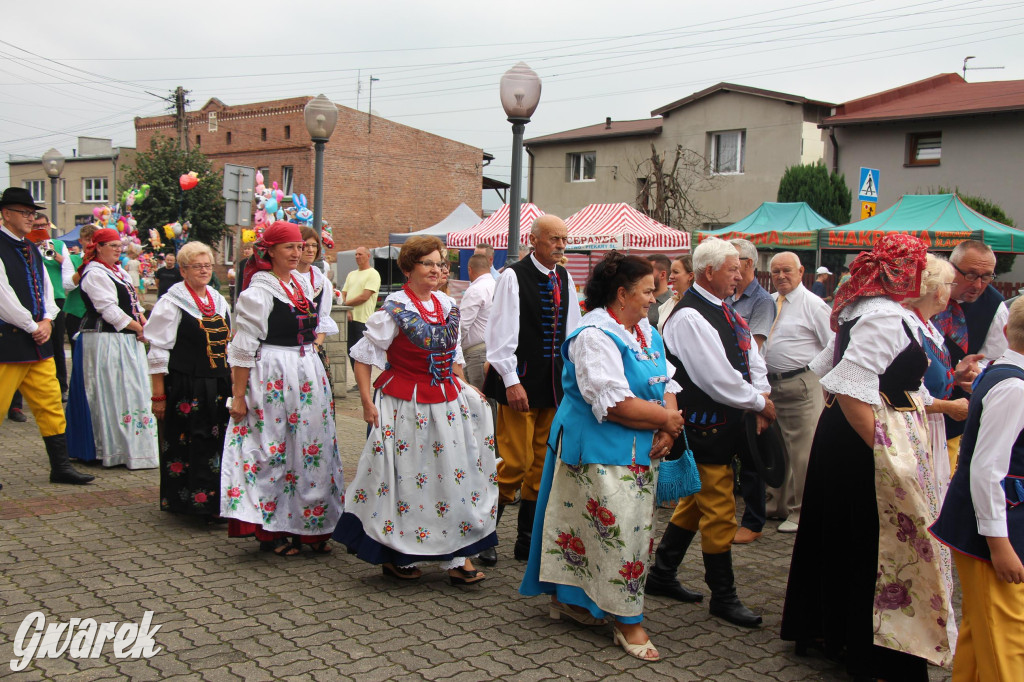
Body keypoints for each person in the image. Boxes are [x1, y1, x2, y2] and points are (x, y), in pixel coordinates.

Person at [782, 234, 957, 679]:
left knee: (843, 534)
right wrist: (887, 454)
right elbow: (850, 391)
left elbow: (838, 377)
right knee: (869, 540)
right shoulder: (882, 317)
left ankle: (833, 630)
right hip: (862, 437)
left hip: (846, 434)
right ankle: (869, 647)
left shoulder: (869, 309)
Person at [520, 253, 685, 662]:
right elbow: (614, 404)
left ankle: (575, 601)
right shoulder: (594, 334)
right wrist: (667, 419)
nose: (654, 297)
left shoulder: (643, 329)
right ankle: (627, 618)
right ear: (621, 293)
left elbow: (665, 378)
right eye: (647, 290)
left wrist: (668, 422)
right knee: (614, 531)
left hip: (636, 448)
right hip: (596, 448)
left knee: (616, 529)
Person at [332, 235, 498, 584]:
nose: (437, 270)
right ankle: (398, 554)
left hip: (446, 402)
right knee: (408, 479)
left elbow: (452, 356)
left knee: (454, 475)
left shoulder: (447, 305)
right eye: (428, 263)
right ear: (408, 268)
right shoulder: (394, 308)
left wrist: (466, 388)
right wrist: (365, 402)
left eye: (441, 263)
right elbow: (362, 357)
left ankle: (458, 554)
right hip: (405, 403)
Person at [644, 238, 773, 628]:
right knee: (718, 509)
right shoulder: (688, 316)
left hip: (724, 424)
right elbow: (715, 378)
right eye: (733, 268)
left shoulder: (725, 310)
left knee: (696, 502)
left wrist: (761, 392)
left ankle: (662, 574)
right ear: (710, 271)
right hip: (704, 428)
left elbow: (750, 356)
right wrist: (758, 401)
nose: (740, 274)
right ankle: (723, 595)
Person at [221, 221, 344, 557]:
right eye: (289, 247)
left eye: (299, 246)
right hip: (273, 372)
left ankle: (311, 526)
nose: (297, 252)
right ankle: (270, 528)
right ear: (270, 251)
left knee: (311, 448)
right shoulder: (257, 293)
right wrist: (239, 395)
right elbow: (243, 349)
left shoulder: (304, 284)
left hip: (307, 371)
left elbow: (316, 325)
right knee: (272, 449)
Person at [930, 296, 1024, 682]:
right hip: (992, 530)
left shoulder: (1000, 372)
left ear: (1005, 331)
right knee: (1007, 634)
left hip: (997, 521)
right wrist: (999, 545)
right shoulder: (1014, 387)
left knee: (981, 626)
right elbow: (987, 470)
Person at [483, 215, 581, 566]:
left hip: (553, 385)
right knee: (514, 461)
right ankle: (483, 535)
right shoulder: (513, 276)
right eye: (554, 239)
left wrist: (574, 377)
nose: (560, 245)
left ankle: (526, 540)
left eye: (564, 240)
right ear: (533, 239)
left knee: (541, 464)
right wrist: (510, 380)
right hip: (520, 381)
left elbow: (573, 333)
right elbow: (500, 334)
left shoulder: (565, 277)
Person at [0, 187, 93, 485]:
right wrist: (32, 325)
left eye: (32, 213)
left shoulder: (32, 248)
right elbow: (3, 297)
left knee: (51, 403)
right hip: (9, 343)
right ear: (6, 214)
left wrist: (49, 318)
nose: (31, 218)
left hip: (37, 343)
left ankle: (61, 466)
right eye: (25, 213)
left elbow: (47, 290)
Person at [145, 241, 231, 519]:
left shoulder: (218, 299)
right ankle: (189, 503)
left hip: (218, 383)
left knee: (218, 441)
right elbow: (158, 349)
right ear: (183, 270)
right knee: (190, 441)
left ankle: (217, 503)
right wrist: (158, 395)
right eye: (197, 266)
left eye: (208, 265)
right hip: (187, 385)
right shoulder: (171, 303)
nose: (204, 270)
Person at [70, 228, 159, 469]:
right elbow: (109, 310)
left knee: (131, 390)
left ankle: (133, 447)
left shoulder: (118, 272)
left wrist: (144, 324)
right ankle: (110, 448)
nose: (118, 249)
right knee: (112, 391)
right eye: (112, 245)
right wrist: (138, 329)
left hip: (125, 339)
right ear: (98, 247)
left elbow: (133, 305)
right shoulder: (94, 273)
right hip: (105, 341)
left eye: (119, 245)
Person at [759, 252, 833, 536]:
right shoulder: (767, 301)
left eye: (786, 271)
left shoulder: (814, 305)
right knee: (775, 448)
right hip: (770, 384)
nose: (780, 277)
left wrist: (813, 375)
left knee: (803, 451)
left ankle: (801, 511)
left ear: (801, 272)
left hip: (801, 383)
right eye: (775, 271)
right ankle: (775, 503)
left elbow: (832, 345)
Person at [936, 239, 1008, 470]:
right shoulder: (927, 290)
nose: (978, 284)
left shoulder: (994, 305)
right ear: (950, 268)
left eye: (986, 276)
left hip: (954, 414)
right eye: (971, 275)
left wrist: (976, 373)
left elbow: (995, 357)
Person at [903, 254, 970, 493]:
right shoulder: (909, 326)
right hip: (918, 423)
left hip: (932, 423)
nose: (951, 291)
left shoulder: (928, 325)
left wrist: (956, 377)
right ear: (938, 291)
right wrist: (949, 407)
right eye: (949, 284)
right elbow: (905, 388)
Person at [295, 226, 339, 398]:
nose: (311, 249)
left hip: (312, 349)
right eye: (306, 245)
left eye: (314, 245)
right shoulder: (284, 278)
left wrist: (315, 347)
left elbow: (323, 319)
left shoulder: (322, 282)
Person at [341, 246, 381, 371]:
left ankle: (363, 381)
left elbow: (365, 296)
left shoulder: (373, 274)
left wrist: (346, 305)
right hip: (350, 318)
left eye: (360, 254)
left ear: (368, 256)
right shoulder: (351, 274)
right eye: (356, 254)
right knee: (351, 351)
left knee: (362, 354)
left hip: (363, 319)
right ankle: (357, 380)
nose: (357, 257)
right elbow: (343, 293)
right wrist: (346, 309)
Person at [460, 253, 496, 390]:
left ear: (470, 269)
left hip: (477, 353)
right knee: (489, 400)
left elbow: (463, 324)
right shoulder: (496, 285)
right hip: (491, 348)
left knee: (480, 400)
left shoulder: (476, 289)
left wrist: (454, 347)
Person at [63, 223, 94, 357]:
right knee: (77, 353)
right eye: (88, 240)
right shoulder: (72, 259)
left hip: (96, 314)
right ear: (80, 241)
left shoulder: (104, 260)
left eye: (94, 239)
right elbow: (68, 285)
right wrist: (83, 267)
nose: (91, 243)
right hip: (76, 314)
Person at [656, 255, 693, 335]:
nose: (670, 276)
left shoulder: (700, 304)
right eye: (671, 272)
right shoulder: (666, 305)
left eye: (675, 272)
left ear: (690, 276)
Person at [645, 254, 673, 327]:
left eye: (648, 271)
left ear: (662, 275)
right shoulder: (638, 300)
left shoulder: (673, 304)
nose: (643, 275)